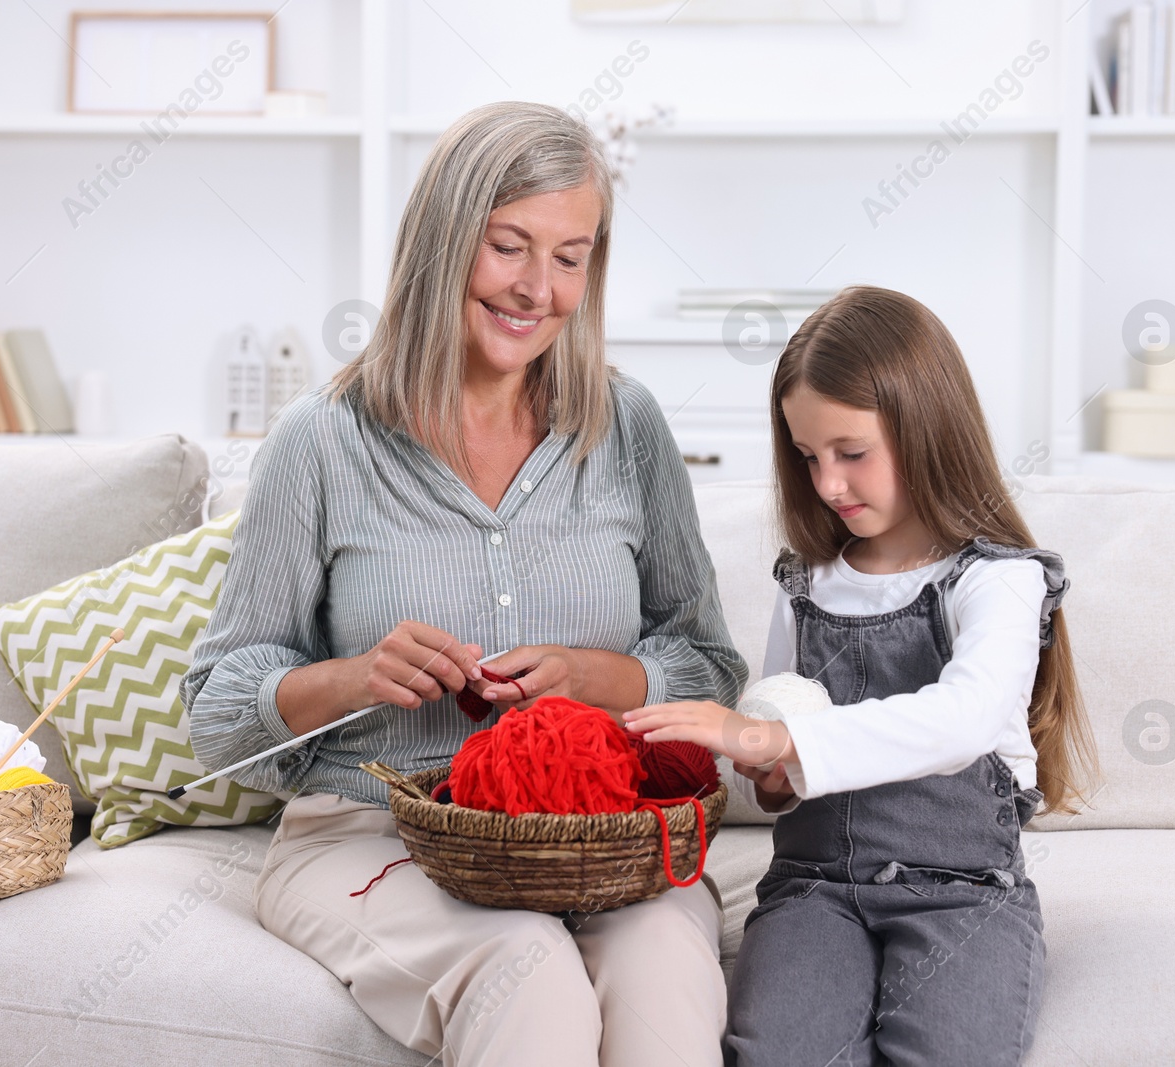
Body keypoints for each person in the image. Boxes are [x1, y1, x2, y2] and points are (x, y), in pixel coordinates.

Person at [180, 100, 748, 1067]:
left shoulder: (627, 427)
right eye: (509, 246)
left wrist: (593, 675)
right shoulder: (322, 443)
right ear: (445, 243)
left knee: (668, 968)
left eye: (572, 256)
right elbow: (217, 710)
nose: (539, 287)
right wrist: (358, 675)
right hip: (369, 829)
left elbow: (709, 665)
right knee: (523, 968)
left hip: (594, 830)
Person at [623, 285, 1102, 1066]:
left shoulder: (995, 579)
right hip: (815, 887)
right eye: (809, 457)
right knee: (780, 1050)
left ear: (926, 425)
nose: (830, 484)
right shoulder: (807, 579)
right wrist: (767, 773)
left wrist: (771, 734)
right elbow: (769, 771)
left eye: (852, 452)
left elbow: (967, 717)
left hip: (961, 889)